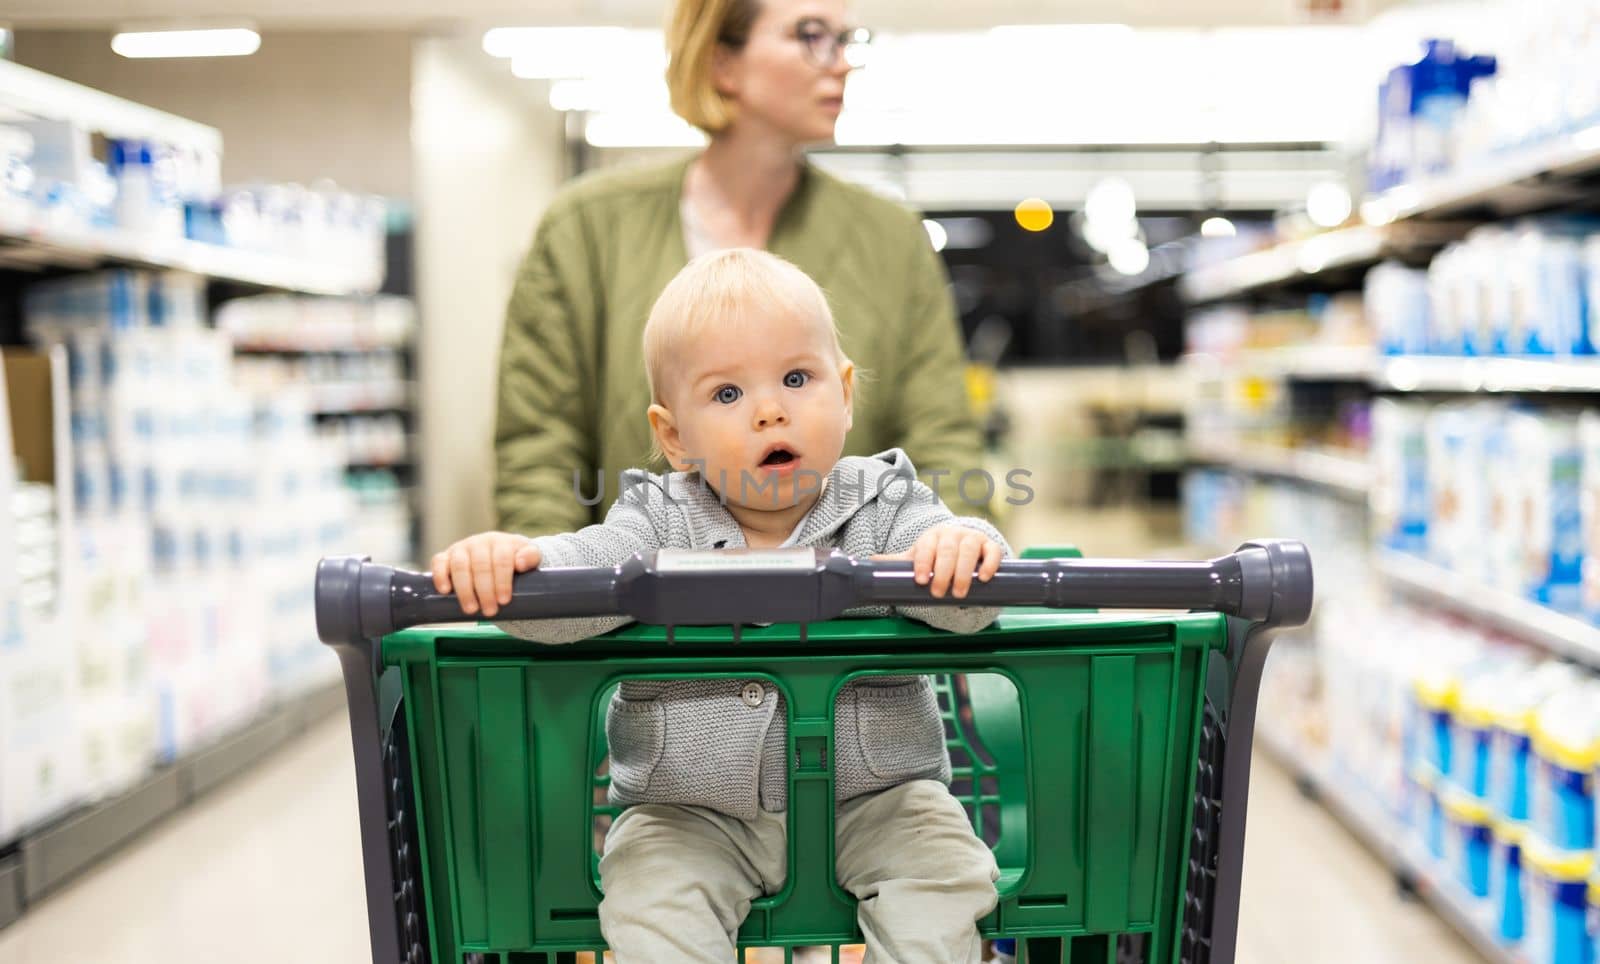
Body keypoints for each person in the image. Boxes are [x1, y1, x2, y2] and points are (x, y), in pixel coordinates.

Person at [440, 249, 1005, 962]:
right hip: (686, 814)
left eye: (798, 378)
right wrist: (516, 568)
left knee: (947, 875)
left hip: (880, 800)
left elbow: (971, 603)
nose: (771, 409)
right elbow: (572, 590)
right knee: (650, 900)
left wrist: (964, 546)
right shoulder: (655, 518)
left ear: (847, 391)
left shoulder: (888, 502)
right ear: (674, 436)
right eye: (728, 395)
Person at [495, 0, 990, 538]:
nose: (842, 62)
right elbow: (538, 449)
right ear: (720, 62)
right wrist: (555, 590)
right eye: (810, 35)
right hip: (634, 610)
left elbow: (944, 438)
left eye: (847, 39)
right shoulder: (585, 229)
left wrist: (952, 555)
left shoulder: (891, 237)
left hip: (851, 613)